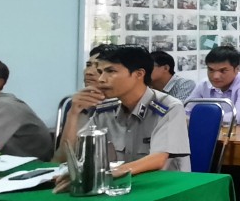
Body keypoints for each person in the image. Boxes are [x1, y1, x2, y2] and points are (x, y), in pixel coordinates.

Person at [59, 44, 190, 176]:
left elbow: (158, 159)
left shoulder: (169, 107)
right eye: (101, 72)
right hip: (120, 184)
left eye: (111, 71)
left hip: (166, 184)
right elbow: (73, 155)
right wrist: (73, 113)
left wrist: (105, 175)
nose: (101, 79)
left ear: (139, 74)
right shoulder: (105, 111)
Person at [189, 45, 240, 125]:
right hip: (216, 131)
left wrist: (200, 119)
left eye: (223, 71)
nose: (215, 76)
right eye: (211, 70)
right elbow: (185, 112)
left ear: (237, 69)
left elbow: (236, 118)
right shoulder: (204, 84)